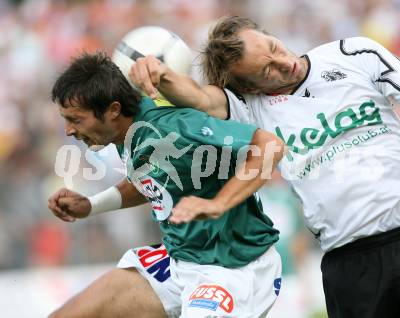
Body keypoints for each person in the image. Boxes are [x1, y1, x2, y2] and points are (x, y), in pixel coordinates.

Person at [129, 16, 400, 318]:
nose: (284, 63)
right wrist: (161, 74)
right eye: (267, 71)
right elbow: (198, 98)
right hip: (351, 264)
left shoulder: (353, 53)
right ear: (248, 88)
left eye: (274, 47)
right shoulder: (249, 107)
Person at [47, 52, 286, 317]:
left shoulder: (174, 127)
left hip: (233, 267)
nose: (68, 130)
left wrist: (219, 203)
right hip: (179, 260)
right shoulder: (126, 132)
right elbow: (152, 182)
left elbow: (270, 146)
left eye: (76, 119)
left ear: (113, 110)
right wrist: (91, 205)